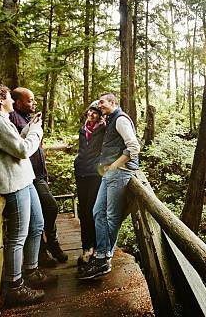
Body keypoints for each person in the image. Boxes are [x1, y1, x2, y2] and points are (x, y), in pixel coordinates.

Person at [0, 84, 56, 307]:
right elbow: (22, 150)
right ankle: (15, 287)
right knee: (18, 237)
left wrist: (29, 128)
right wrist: (37, 131)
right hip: (13, 185)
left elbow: (15, 144)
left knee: (37, 225)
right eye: (8, 96)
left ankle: (31, 271)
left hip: (24, 179)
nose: (12, 99)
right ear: (1, 100)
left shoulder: (2, 121)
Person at [79, 93, 140, 280]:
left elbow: (134, 147)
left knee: (112, 216)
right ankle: (102, 255)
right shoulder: (110, 119)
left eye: (102, 102)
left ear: (113, 102)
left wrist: (115, 165)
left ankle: (103, 259)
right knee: (98, 212)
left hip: (119, 172)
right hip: (109, 173)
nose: (99, 105)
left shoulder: (120, 119)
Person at [9, 87, 68, 265]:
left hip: (39, 173)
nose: (34, 103)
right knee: (49, 207)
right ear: (18, 102)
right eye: (30, 100)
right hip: (29, 176)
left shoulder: (27, 118)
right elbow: (22, 147)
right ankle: (45, 248)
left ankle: (49, 245)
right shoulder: (13, 119)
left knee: (45, 210)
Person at [73, 100, 106, 267]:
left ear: (100, 115)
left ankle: (96, 248)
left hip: (95, 173)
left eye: (95, 112)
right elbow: (82, 149)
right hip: (81, 172)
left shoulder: (104, 128)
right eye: (90, 111)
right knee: (83, 211)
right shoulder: (83, 128)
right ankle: (86, 247)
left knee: (92, 210)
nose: (91, 115)